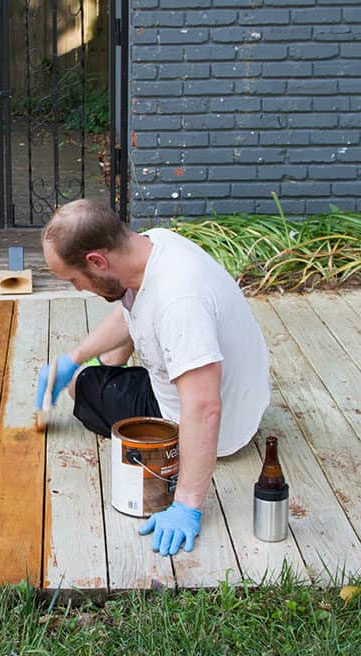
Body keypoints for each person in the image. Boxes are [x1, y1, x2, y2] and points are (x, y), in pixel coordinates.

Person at [35, 198, 270, 557]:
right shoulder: (155, 246)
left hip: (210, 427)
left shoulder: (178, 301)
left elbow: (205, 407)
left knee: (78, 385)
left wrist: (187, 504)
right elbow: (131, 309)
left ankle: (94, 377)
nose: (78, 289)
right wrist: (73, 356)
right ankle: (103, 367)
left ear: (97, 261)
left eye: (75, 279)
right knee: (103, 352)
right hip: (242, 398)